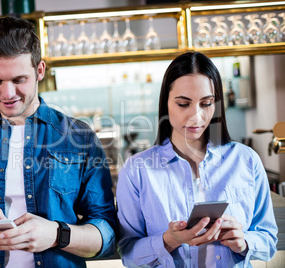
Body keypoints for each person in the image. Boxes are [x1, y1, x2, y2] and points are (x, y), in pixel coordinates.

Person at [0, 17, 117, 267]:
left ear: (39, 71)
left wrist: (56, 235)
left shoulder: (78, 138)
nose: (7, 94)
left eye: (18, 80)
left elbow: (108, 237)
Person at [116, 52, 278, 267]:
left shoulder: (245, 160)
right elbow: (127, 254)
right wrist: (169, 240)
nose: (197, 116)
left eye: (206, 103)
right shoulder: (137, 170)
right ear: (166, 103)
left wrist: (244, 241)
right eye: (184, 104)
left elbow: (268, 240)